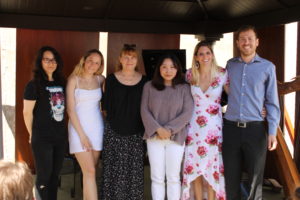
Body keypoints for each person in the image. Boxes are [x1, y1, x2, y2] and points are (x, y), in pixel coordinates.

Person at [222, 25, 280, 200]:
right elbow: (225, 88)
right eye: (242, 39)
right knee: (230, 178)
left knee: (255, 179)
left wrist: (272, 132)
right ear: (238, 43)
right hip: (230, 128)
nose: (246, 42)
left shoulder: (268, 67)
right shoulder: (230, 65)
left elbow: (272, 102)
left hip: (255, 130)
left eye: (249, 39)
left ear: (257, 42)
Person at [141, 54, 193, 200]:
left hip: (176, 138)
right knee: (156, 177)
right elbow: (144, 110)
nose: (168, 70)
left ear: (177, 69)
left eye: (172, 67)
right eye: (164, 67)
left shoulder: (184, 88)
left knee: (173, 178)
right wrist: (158, 129)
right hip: (154, 137)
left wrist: (168, 130)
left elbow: (187, 112)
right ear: (159, 69)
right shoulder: (149, 86)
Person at [181, 41, 229, 200]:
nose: (205, 56)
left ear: (212, 55)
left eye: (208, 53)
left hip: (214, 130)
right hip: (193, 128)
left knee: (212, 170)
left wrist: (259, 108)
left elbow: (236, 96)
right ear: (196, 57)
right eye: (201, 53)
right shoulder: (189, 75)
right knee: (195, 170)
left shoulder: (222, 74)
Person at [101, 44, 148, 199]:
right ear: (120, 59)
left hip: (136, 134)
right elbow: (105, 108)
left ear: (137, 60)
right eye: (126, 57)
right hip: (114, 132)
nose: (129, 60)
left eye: (133, 57)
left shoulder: (145, 81)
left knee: (133, 173)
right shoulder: (111, 80)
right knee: (113, 171)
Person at [23, 46, 67, 200]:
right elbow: (27, 113)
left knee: (55, 177)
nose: (51, 63)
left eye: (53, 60)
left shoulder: (63, 82)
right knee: (44, 178)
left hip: (60, 138)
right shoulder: (33, 85)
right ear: (40, 62)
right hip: (42, 138)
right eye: (46, 59)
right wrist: (32, 134)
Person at [67, 49, 105, 200]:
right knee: (89, 171)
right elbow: (70, 110)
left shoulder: (101, 79)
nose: (92, 65)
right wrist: (82, 136)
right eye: (90, 60)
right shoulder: (73, 80)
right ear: (84, 60)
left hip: (97, 128)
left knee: (90, 172)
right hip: (78, 129)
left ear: (100, 65)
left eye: (97, 62)